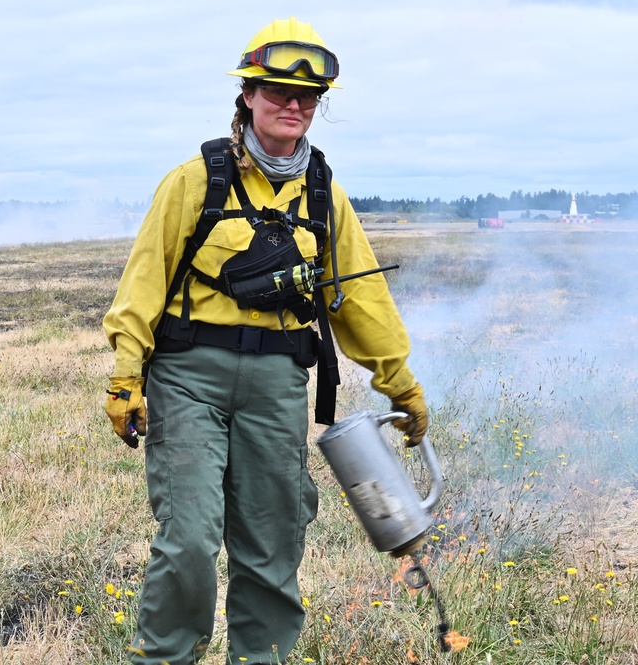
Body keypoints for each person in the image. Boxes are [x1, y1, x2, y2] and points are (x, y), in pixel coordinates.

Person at [102, 17, 429, 665]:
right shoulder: (195, 181)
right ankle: (164, 656)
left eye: (307, 98)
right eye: (278, 90)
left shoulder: (321, 194)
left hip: (278, 385)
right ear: (247, 95)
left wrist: (402, 383)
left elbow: (361, 302)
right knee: (190, 539)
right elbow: (143, 285)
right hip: (189, 375)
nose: (294, 106)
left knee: (273, 542)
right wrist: (124, 377)